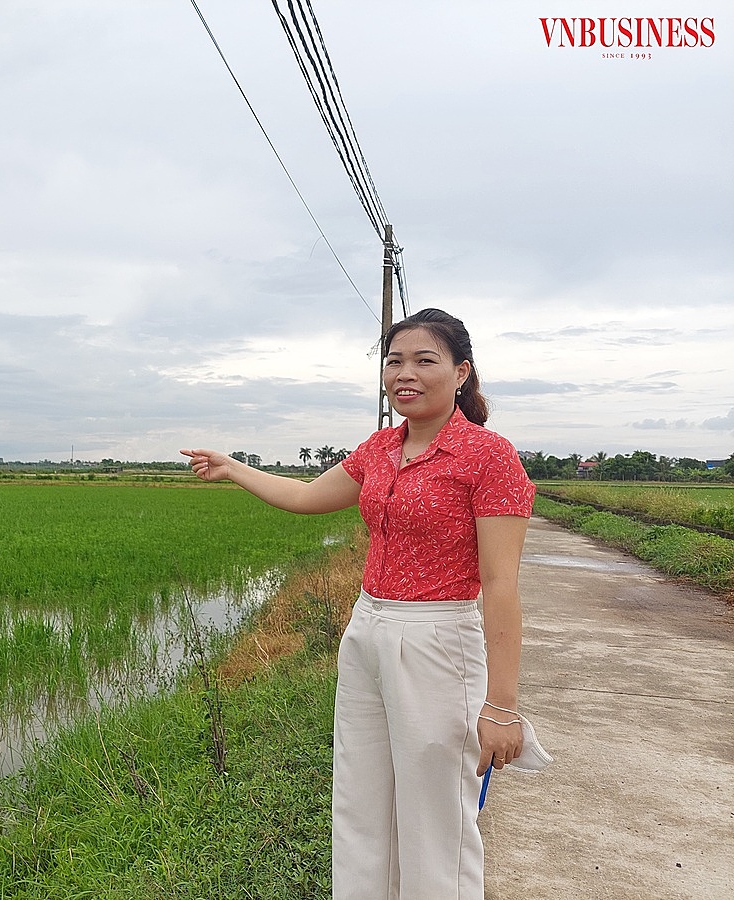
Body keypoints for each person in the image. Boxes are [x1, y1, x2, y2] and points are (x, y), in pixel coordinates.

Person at [181, 308, 535, 899]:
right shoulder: (379, 449)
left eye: (425, 360)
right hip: (367, 630)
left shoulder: (486, 456)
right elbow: (302, 495)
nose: (405, 373)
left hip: (438, 639)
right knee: (361, 798)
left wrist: (502, 705)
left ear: (462, 372)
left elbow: (501, 584)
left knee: (435, 815)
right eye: (394, 361)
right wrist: (233, 466)